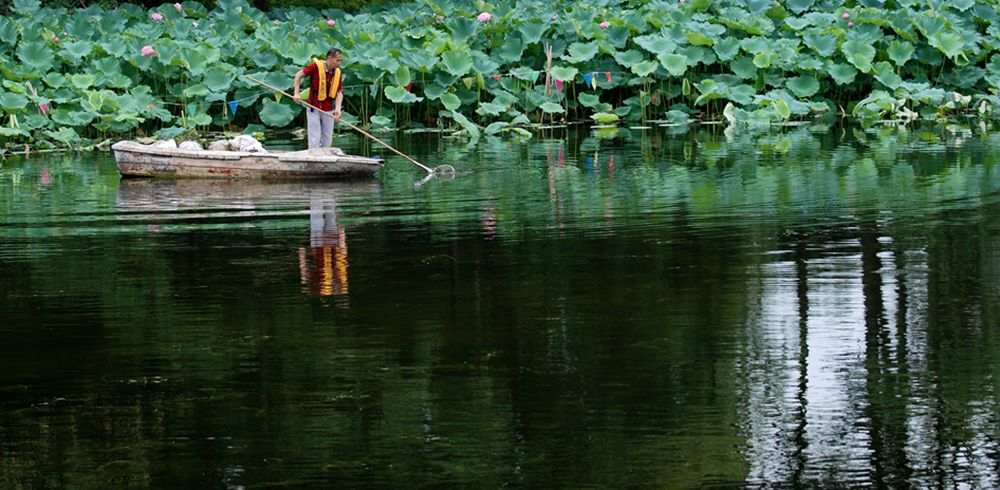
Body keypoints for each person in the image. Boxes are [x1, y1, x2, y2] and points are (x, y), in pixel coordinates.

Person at [293, 48, 344, 149]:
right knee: (314, 137)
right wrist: (296, 93)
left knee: (328, 138)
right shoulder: (316, 66)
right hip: (313, 106)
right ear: (329, 58)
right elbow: (298, 75)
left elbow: (339, 93)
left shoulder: (337, 73)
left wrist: (338, 109)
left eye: (340, 60)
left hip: (328, 108)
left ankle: (325, 159)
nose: (339, 63)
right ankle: (314, 158)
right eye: (337, 60)